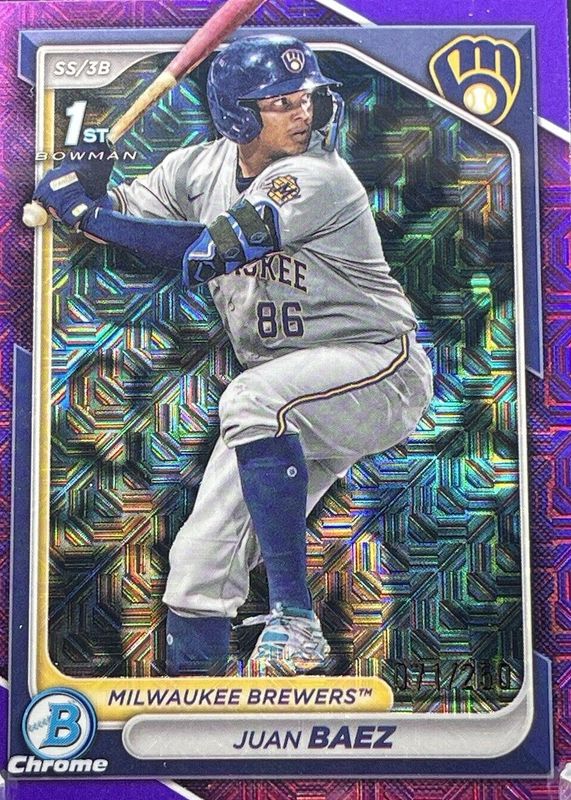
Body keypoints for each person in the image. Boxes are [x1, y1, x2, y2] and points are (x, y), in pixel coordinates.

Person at [33, 34, 433, 677]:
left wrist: (88, 215)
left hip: (375, 368)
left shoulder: (317, 176)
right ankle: (196, 705)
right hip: (289, 395)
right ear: (237, 116)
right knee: (199, 565)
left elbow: (206, 250)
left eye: (306, 97)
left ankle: (296, 622)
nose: (302, 112)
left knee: (250, 399)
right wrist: (88, 178)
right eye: (280, 102)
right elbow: (133, 223)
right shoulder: (196, 170)